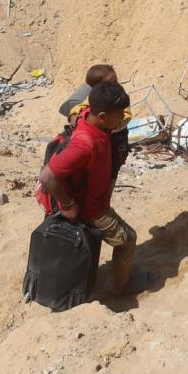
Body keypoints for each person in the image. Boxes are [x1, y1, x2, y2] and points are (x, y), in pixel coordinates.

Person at [38, 81, 143, 295]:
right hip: (91, 209)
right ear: (103, 115)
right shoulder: (84, 144)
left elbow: (77, 109)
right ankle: (123, 286)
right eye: (119, 114)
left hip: (92, 200)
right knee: (127, 240)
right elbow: (47, 176)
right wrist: (68, 205)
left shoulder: (90, 117)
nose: (123, 118)